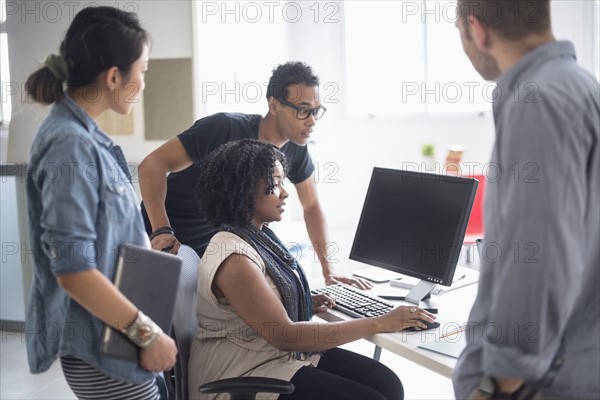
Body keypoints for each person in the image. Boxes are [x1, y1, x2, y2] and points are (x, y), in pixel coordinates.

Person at [187, 138, 436, 400]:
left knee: (387, 384)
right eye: (275, 183)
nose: (284, 192)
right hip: (240, 373)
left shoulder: (257, 236)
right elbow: (287, 336)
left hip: (269, 356)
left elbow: (261, 305)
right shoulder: (234, 258)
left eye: (283, 182)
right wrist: (380, 321)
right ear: (242, 189)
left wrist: (300, 301)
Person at [24, 6, 177, 399]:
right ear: (114, 77)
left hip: (116, 341)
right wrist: (147, 333)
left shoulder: (86, 138)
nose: (144, 82)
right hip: (102, 350)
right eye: (142, 70)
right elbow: (74, 271)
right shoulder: (69, 145)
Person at [453, 1, 599, 399]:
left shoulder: (539, 100)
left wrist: (496, 385)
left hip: (541, 384)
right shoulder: (581, 86)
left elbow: (538, 258)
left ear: (477, 31)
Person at [138, 61, 371, 289]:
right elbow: (152, 164)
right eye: (303, 110)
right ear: (274, 105)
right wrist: (161, 229)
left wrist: (328, 272)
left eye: (316, 111)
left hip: (217, 242)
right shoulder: (225, 127)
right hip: (166, 230)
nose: (312, 121)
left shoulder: (296, 149)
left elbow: (311, 207)